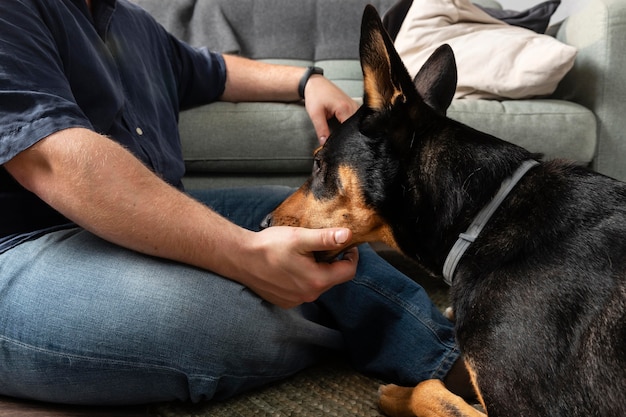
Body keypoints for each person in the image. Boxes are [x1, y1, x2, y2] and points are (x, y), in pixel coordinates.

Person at [0, 0, 471, 406]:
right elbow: (51, 159)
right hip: (24, 244)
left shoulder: (131, 24)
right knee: (205, 319)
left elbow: (214, 71)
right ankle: (340, 322)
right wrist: (244, 257)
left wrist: (306, 80)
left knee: (312, 227)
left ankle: (456, 363)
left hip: (146, 222)